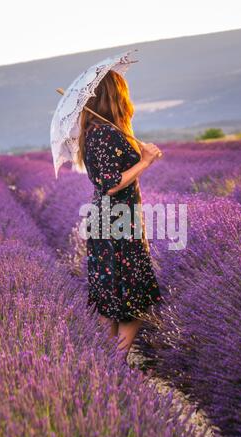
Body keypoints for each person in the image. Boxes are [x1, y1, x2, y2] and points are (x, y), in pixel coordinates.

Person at [77, 70, 162, 361]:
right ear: (117, 96)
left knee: (112, 296)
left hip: (109, 222)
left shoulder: (97, 132)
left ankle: (105, 364)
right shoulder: (105, 133)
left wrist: (136, 151)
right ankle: (115, 363)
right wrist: (146, 162)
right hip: (118, 224)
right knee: (133, 298)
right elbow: (111, 183)